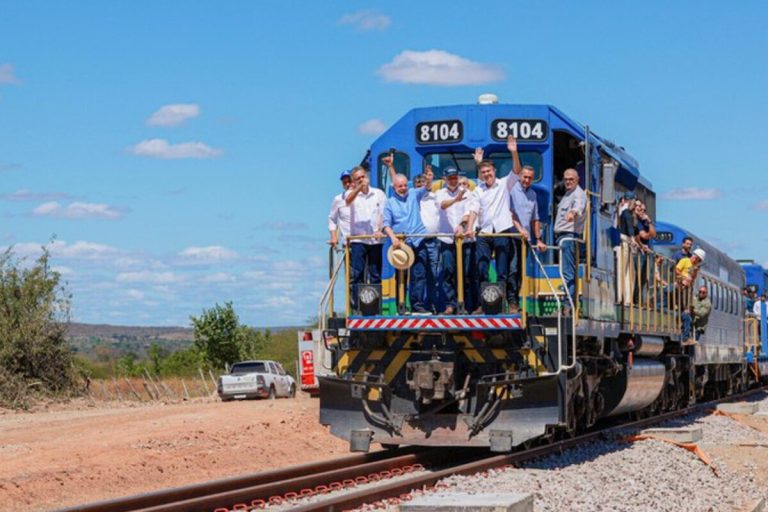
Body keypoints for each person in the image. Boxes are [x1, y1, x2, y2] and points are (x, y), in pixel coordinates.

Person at [471, 136, 523, 313]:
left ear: (494, 171)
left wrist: (514, 152)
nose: (487, 174)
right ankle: (483, 304)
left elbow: (517, 171)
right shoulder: (478, 189)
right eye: (483, 172)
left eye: (489, 171)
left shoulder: (504, 184)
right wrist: (470, 228)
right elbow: (474, 210)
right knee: (481, 269)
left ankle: (505, 304)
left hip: (502, 231)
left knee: (503, 270)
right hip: (484, 232)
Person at [382, 166, 434, 314]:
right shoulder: (390, 203)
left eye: (405, 185)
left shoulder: (413, 194)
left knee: (419, 274)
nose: (403, 188)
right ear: (394, 187)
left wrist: (429, 178)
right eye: (400, 186)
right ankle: (401, 305)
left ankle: (417, 305)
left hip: (418, 239)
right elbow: (386, 225)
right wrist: (393, 238)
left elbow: (426, 187)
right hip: (401, 244)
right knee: (401, 276)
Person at [436, 168, 477, 314]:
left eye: (455, 177)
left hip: (464, 239)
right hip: (446, 239)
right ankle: (450, 304)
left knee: (465, 272)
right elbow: (442, 205)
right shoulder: (439, 193)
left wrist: (461, 225)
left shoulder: (467, 193)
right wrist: (455, 200)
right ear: (445, 179)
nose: (453, 180)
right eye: (450, 178)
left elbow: (468, 213)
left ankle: (463, 304)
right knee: (448, 271)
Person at [345, 166, 386, 310]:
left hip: (375, 240)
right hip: (358, 240)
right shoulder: (351, 194)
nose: (362, 180)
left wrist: (380, 229)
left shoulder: (378, 194)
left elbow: (383, 214)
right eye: (358, 179)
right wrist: (358, 188)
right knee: (358, 274)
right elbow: (347, 201)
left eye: (363, 177)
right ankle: (358, 307)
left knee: (375, 273)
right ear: (354, 181)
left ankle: (374, 307)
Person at [509, 165, 548, 309]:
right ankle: (511, 301)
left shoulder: (533, 194)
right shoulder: (511, 190)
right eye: (525, 177)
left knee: (520, 271)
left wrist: (538, 239)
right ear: (520, 176)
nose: (527, 180)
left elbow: (535, 219)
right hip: (511, 236)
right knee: (512, 269)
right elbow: (510, 213)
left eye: (530, 178)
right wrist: (520, 229)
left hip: (525, 240)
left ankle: (516, 300)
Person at [553, 168, 587, 315]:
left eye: (571, 179)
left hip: (568, 237)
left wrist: (573, 213)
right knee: (565, 271)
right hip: (562, 237)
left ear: (577, 180)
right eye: (566, 179)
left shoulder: (578, 194)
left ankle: (568, 306)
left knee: (568, 272)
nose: (568, 181)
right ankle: (567, 304)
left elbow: (578, 207)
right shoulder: (568, 194)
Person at [616, 192, 637, 305]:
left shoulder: (622, 212)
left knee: (627, 271)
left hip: (625, 242)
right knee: (624, 270)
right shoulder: (626, 212)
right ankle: (623, 297)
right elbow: (629, 227)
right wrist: (633, 239)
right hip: (624, 242)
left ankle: (625, 297)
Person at [633, 200, 656, 302]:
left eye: (644, 210)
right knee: (637, 276)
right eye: (640, 209)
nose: (642, 212)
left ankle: (640, 298)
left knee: (644, 278)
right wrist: (649, 234)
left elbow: (653, 234)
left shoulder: (645, 223)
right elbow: (644, 235)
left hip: (646, 253)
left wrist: (649, 221)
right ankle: (636, 298)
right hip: (639, 252)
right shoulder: (636, 222)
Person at [328, 170, 352, 248]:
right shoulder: (338, 199)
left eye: (349, 181)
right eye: (345, 183)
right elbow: (332, 219)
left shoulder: (363, 197)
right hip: (348, 242)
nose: (347, 184)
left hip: (364, 240)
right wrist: (333, 237)